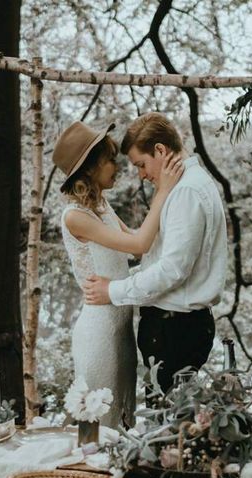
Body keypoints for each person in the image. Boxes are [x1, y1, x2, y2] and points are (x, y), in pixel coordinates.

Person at [83, 113, 228, 393]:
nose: (141, 174)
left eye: (141, 164)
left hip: (174, 330)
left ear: (160, 150)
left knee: (167, 425)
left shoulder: (186, 192)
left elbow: (171, 270)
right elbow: (163, 259)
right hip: (176, 327)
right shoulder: (184, 186)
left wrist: (113, 291)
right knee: (170, 422)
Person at [52, 120, 183, 427]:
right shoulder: (75, 216)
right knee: (97, 427)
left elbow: (137, 250)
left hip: (121, 330)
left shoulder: (101, 206)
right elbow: (139, 242)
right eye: (109, 160)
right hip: (98, 334)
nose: (117, 166)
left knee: (121, 425)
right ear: (90, 167)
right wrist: (163, 191)